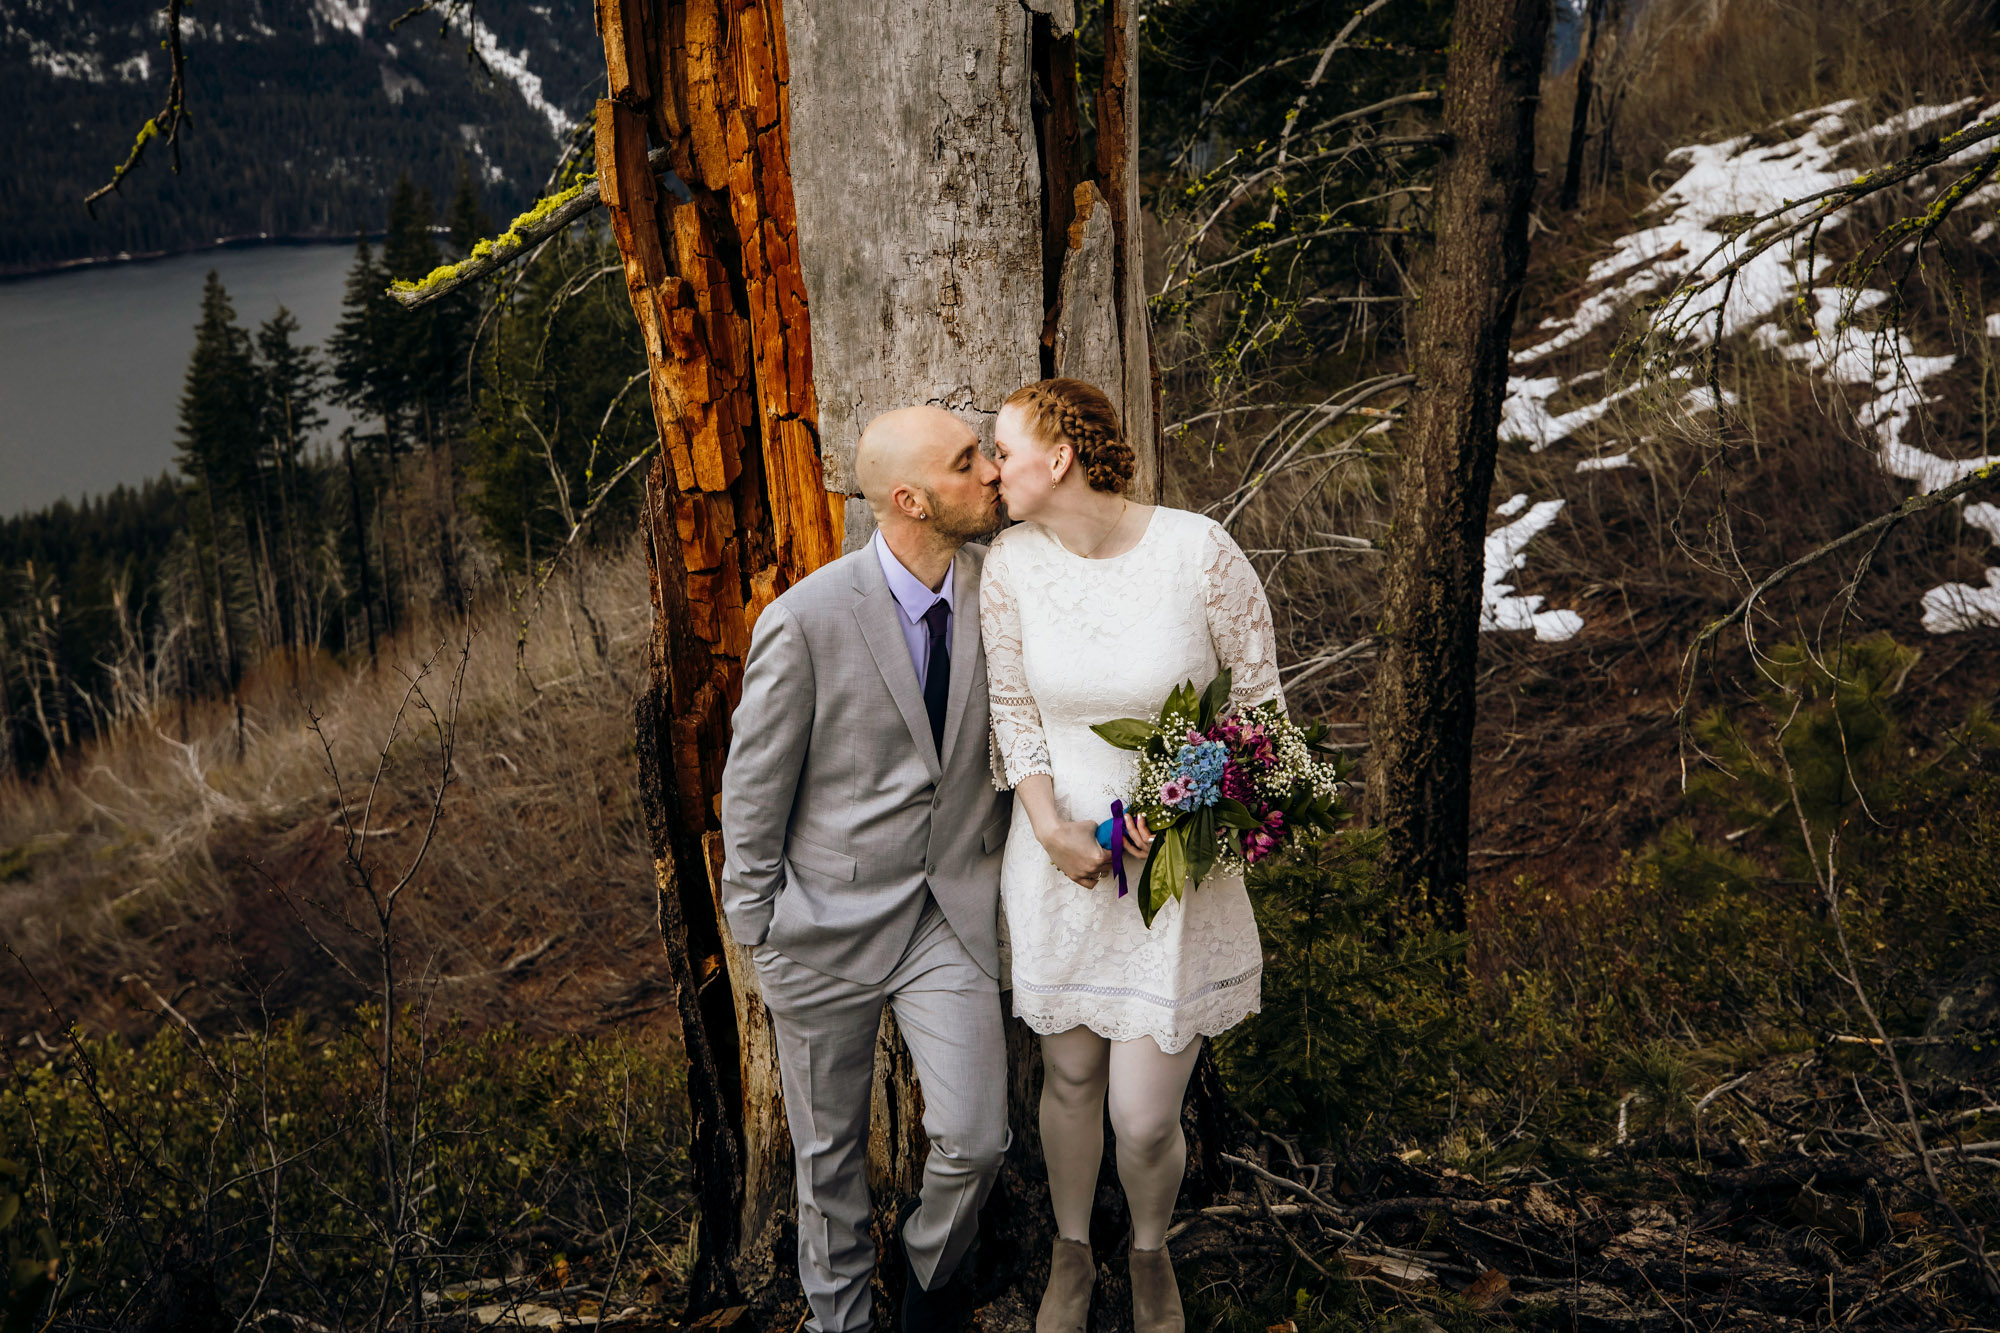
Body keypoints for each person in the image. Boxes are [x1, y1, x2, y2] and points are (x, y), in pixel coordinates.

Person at [980, 378, 1281, 1333]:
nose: (991, 471)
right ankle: (1073, 1251)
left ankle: (1149, 1250)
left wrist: (1199, 796)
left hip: (1174, 874)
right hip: (1063, 861)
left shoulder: (1200, 551)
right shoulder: (1009, 566)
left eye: (1003, 451)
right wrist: (1049, 825)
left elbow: (1262, 712)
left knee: (1145, 1114)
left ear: (1057, 458)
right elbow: (1014, 712)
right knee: (1068, 1078)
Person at [719, 404, 1013, 1333]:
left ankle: (928, 1281)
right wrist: (756, 927)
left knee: (975, 1136)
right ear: (911, 499)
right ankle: (842, 1321)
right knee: (828, 1162)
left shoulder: (1003, 596)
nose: (992, 472)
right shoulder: (804, 619)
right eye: (970, 462)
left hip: (947, 919)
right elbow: (755, 783)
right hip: (820, 932)